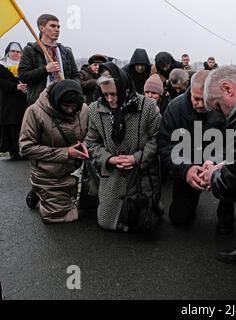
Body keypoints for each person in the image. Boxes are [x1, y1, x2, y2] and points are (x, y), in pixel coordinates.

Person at [85, 62, 162, 232]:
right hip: (112, 174)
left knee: (143, 225)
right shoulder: (94, 110)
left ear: (124, 88)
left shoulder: (148, 107)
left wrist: (137, 158)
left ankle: (153, 205)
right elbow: (91, 142)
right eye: (106, 95)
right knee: (106, 222)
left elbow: (157, 139)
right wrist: (109, 158)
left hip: (141, 173)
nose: (110, 99)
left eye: (114, 94)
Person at [158, 70, 235, 234]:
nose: (200, 104)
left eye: (204, 100)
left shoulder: (224, 108)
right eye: (196, 98)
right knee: (179, 218)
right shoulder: (175, 108)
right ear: (190, 90)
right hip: (186, 164)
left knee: (227, 224)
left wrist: (215, 163)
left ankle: (226, 215)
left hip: (216, 164)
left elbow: (231, 144)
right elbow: (165, 145)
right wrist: (186, 169)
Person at [19, 80, 89, 223]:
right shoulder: (34, 112)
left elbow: (92, 136)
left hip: (78, 171)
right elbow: (25, 147)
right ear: (56, 100)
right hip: (50, 172)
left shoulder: (84, 109)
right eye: (65, 106)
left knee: (93, 207)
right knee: (59, 216)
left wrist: (85, 145)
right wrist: (66, 152)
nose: (70, 110)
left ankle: (43, 194)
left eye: (73, 106)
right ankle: (41, 194)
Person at [18, 14, 80, 105]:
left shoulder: (66, 51)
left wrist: (71, 86)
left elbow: (76, 75)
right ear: (42, 28)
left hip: (64, 100)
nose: (57, 29)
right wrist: (45, 69)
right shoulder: (30, 50)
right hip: (40, 102)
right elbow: (23, 76)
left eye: (58, 26)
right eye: (52, 26)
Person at [0, 42, 28, 160]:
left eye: (18, 52)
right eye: (13, 51)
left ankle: (25, 150)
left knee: (24, 124)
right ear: (8, 53)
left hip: (23, 99)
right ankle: (14, 151)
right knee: (12, 125)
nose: (16, 54)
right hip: (8, 100)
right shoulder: (2, 65)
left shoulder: (25, 66)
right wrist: (14, 86)